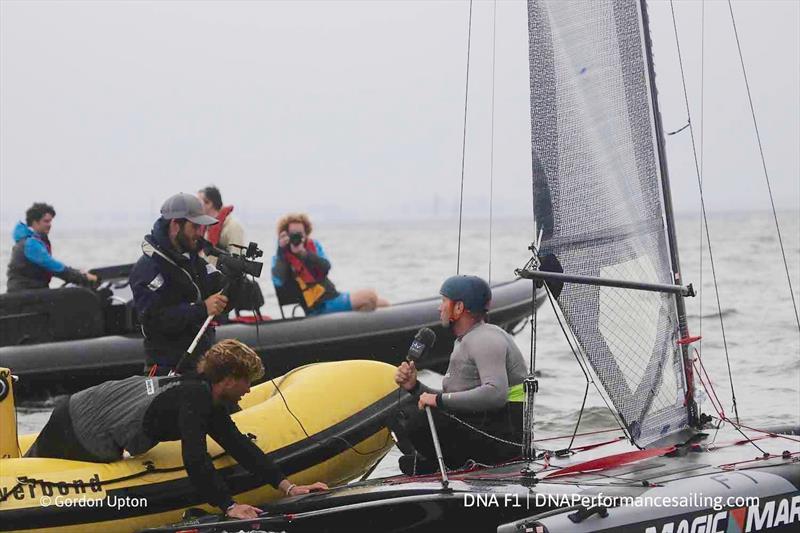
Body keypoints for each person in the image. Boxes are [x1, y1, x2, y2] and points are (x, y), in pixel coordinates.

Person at [26, 339, 328, 520]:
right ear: (228, 379)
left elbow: (238, 445)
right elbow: (195, 458)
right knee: (30, 477)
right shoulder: (194, 398)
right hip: (80, 424)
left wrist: (288, 487)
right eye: (246, 381)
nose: (249, 389)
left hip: (82, 408)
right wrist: (229, 506)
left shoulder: (207, 397)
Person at [393, 275, 526, 474]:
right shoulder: (466, 340)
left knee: (413, 419)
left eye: (443, 301)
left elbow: (495, 394)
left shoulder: (486, 338)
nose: (440, 308)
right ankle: (430, 462)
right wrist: (415, 387)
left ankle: (442, 464)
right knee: (397, 414)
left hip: (502, 441)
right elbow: (455, 398)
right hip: (481, 426)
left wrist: (437, 400)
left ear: (459, 307)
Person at [129, 192, 231, 376]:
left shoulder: (195, 261)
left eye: (202, 228)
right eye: (195, 227)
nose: (200, 233)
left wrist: (236, 275)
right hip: (167, 367)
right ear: (176, 225)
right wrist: (202, 309)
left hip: (201, 362)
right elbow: (155, 320)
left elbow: (219, 286)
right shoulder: (147, 268)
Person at [271, 213, 389, 315]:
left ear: (306, 234)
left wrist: (304, 254)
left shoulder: (313, 247)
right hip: (318, 307)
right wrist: (281, 251)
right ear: (286, 235)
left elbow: (326, 267)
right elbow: (278, 281)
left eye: (300, 233)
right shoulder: (280, 257)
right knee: (370, 296)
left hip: (332, 297)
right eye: (293, 233)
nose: (296, 237)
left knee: (384, 304)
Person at [6, 202, 98, 292]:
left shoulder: (31, 240)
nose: (49, 225)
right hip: (24, 294)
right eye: (46, 221)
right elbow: (54, 267)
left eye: (50, 221)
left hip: (32, 290)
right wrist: (83, 277)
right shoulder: (30, 244)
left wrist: (78, 273)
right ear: (34, 222)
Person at [197, 185, 246, 265]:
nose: (195, 206)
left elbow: (237, 258)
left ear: (209, 203)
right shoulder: (205, 227)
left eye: (198, 202)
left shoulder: (232, 227)